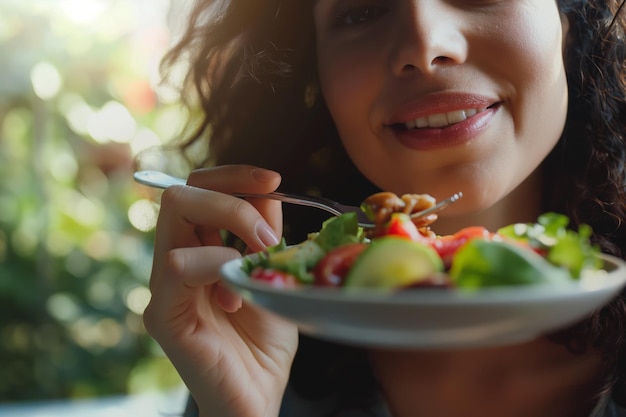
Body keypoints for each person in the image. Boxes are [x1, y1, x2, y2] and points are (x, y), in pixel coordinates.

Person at [142, 0, 626, 416]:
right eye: (364, 10)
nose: (424, 44)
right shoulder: (260, 337)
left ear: (567, 24)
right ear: (319, 76)